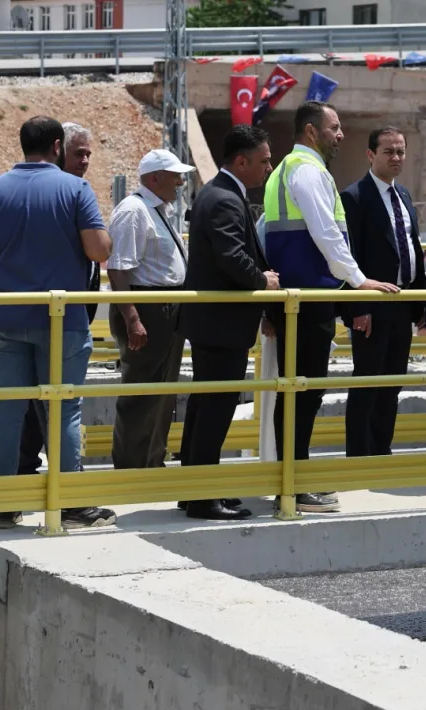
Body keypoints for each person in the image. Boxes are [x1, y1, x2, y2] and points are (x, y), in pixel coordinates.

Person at [0, 116, 116, 531]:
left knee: (7, 409)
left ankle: (4, 504)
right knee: (63, 409)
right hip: (61, 320)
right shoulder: (76, 189)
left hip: (8, 316)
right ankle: (69, 504)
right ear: (57, 146)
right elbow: (99, 251)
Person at [262, 101, 399, 513]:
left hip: (299, 299)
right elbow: (326, 232)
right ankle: (294, 485)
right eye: (334, 127)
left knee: (297, 391)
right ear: (311, 131)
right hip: (308, 299)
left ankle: (292, 480)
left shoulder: (286, 169)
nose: (341, 135)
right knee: (302, 393)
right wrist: (359, 280)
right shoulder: (307, 170)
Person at [177, 125, 278, 521]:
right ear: (241, 161)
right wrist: (263, 281)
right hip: (221, 325)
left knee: (206, 404)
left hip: (214, 324)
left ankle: (194, 489)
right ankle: (203, 498)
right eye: (264, 161)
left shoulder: (218, 192)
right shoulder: (224, 199)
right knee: (215, 408)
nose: (268, 168)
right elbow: (231, 257)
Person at [16, 121, 100, 479]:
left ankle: (25, 473)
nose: (85, 161)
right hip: (48, 320)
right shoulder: (52, 196)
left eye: (89, 154)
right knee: (55, 405)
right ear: (57, 149)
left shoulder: (77, 191)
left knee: (44, 405)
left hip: (69, 318)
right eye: (79, 153)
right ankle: (64, 488)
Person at [339, 127, 425, 458]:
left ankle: (381, 451)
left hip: (403, 303)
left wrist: (421, 306)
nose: (396, 157)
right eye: (389, 151)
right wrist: (358, 307)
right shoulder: (354, 197)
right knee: (367, 382)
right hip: (371, 307)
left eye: (401, 151)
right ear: (370, 155)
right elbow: (350, 256)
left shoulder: (403, 195)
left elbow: (412, 248)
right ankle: (359, 456)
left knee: (392, 383)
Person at [105, 149, 192, 473]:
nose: (180, 182)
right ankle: (132, 469)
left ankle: (151, 463)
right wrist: (133, 319)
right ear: (155, 178)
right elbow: (118, 269)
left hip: (162, 308)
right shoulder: (134, 210)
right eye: (175, 176)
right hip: (147, 308)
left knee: (161, 393)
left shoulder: (154, 209)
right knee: (142, 395)